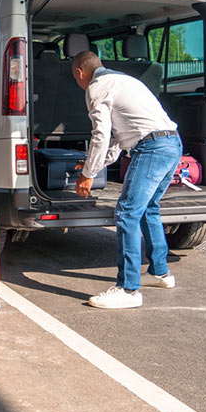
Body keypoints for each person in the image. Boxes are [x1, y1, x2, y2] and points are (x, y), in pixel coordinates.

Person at [71, 51, 182, 309]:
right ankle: (160, 273)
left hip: (152, 148)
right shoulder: (123, 80)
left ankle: (128, 289)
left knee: (126, 213)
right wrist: (91, 165)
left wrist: (87, 175)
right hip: (172, 143)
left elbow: (100, 135)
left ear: (79, 73)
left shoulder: (96, 88)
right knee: (148, 209)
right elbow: (115, 141)